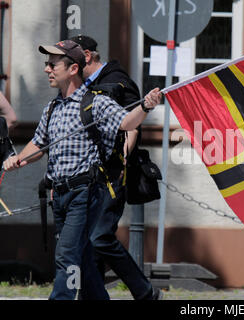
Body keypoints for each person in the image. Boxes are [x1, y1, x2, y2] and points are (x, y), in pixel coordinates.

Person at [2, 40, 161, 300]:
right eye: (47, 64)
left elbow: (126, 122)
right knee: (83, 255)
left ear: (73, 68)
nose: (47, 70)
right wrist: (18, 159)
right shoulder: (52, 108)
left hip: (84, 193)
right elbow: (39, 143)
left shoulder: (95, 103)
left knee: (67, 254)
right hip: (60, 195)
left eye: (53, 65)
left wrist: (145, 106)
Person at [70, 35, 161, 300]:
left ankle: (145, 292)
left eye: (68, 59)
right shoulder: (82, 86)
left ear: (86, 56)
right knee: (87, 240)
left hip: (112, 176)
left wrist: (119, 159)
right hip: (84, 177)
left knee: (99, 236)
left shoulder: (117, 81)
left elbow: (131, 125)